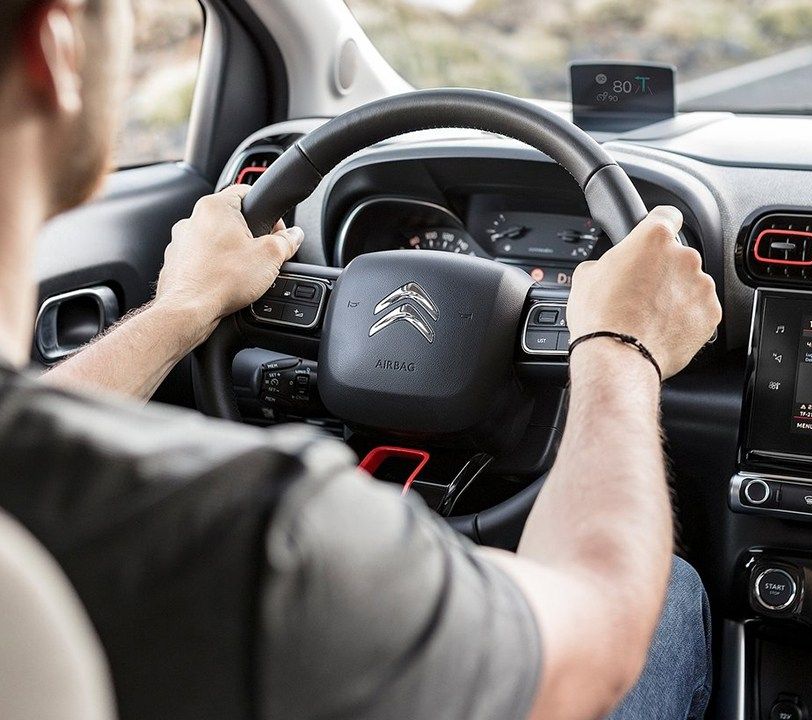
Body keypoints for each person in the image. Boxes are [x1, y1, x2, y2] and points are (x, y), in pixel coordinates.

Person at [0, 0, 722, 719]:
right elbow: (596, 634)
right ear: (56, 47)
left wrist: (183, 308)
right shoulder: (275, 538)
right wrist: (620, 344)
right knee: (671, 594)